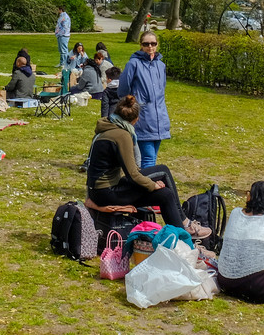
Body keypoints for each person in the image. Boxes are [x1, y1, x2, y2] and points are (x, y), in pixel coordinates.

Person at [84, 95, 205, 235]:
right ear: (135, 119)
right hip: (105, 193)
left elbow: (131, 171)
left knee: (164, 193)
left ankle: (182, 233)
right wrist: (152, 184)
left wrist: (150, 182)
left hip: (98, 190)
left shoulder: (106, 127)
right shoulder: (121, 135)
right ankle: (185, 226)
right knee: (164, 173)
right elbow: (133, 174)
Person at [117, 30, 169, 168]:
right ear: (141, 45)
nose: (150, 47)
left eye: (153, 43)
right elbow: (122, 90)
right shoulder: (133, 64)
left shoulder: (160, 65)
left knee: (152, 157)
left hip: (159, 117)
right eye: (146, 44)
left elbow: (161, 89)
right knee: (148, 158)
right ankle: (148, 187)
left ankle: (143, 184)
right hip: (143, 117)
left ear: (157, 44)